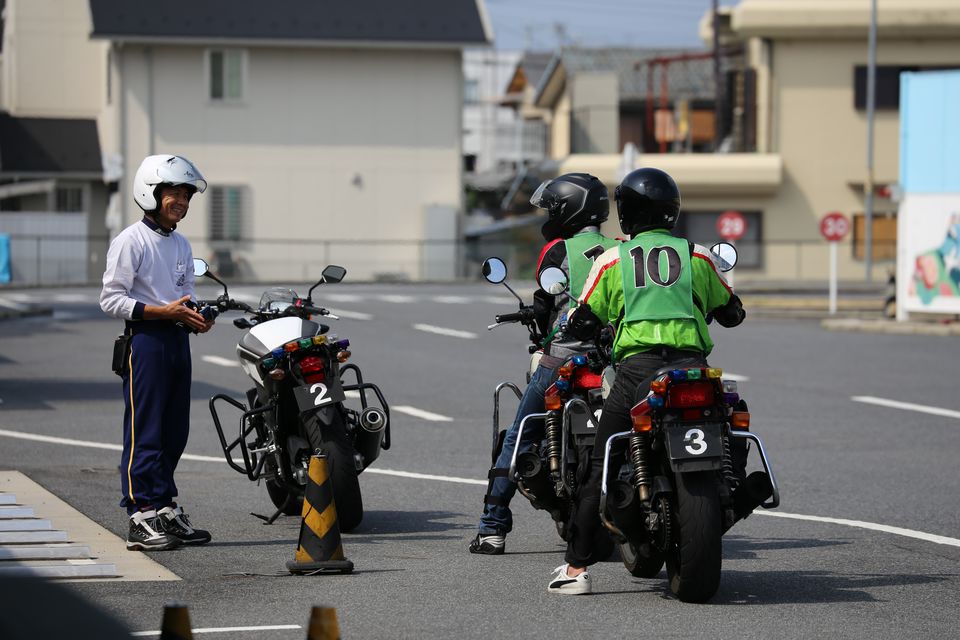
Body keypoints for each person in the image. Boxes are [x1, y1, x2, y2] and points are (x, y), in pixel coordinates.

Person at [546, 167, 768, 594]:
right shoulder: (698, 256)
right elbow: (733, 311)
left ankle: (575, 571)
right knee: (732, 419)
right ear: (672, 211)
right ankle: (736, 486)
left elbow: (584, 316)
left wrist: (579, 324)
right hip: (693, 369)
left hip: (638, 373)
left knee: (600, 462)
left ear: (626, 215)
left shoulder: (611, 260)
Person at [470, 173, 620, 555]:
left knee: (520, 433)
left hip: (566, 355)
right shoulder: (620, 249)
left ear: (570, 210)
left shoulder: (558, 251)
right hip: (613, 357)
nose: (548, 216)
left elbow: (546, 300)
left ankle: (492, 528)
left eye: (553, 208)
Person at [100, 154, 214, 551]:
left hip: (175, 339)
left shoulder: (180, 242)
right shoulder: (131, 240)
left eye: (186, 194)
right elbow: (111, 299)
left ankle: (164, 506)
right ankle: (140, 512)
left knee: (174, 431)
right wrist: (160, 311)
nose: (181, 201)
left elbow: (185, 292)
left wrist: (195, 315)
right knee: (145, 430)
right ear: (151, 192)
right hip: (146, 341)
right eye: (173, 193)